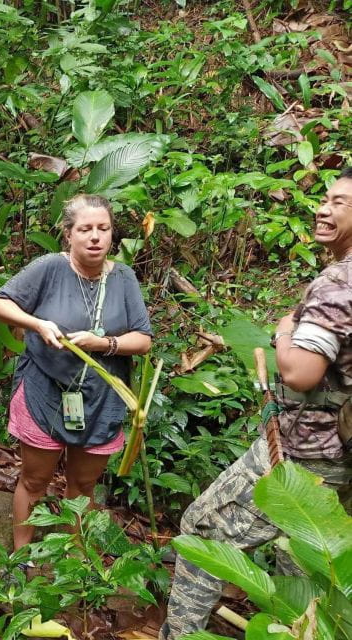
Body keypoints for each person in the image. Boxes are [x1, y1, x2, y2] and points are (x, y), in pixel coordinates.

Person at [161, 168, 352, 640]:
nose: (322, 209)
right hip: (342, 454)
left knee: (203, 532)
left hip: (306, 456)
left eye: (339, 203)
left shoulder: (338, 283)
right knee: (309, 566)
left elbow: (300, 372)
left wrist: (285, 332)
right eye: (325, 198)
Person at [0, 194, 152, 554]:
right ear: (69, 234)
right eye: (85, 229)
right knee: (34, 480)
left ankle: (75, 561)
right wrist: (37, 324)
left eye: (103, 228)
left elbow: (143, 339)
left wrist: (102, 343)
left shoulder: (124, 277)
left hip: (102, 397)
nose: (95, 237)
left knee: (83, 486)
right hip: (44, 390)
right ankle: (22, 556)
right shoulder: (49, 267)